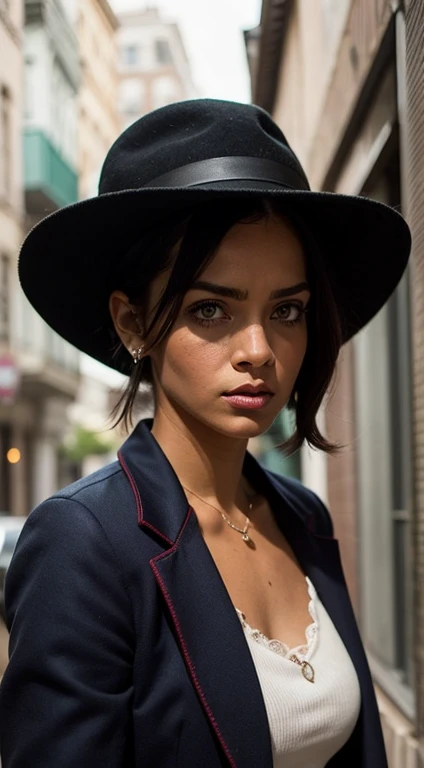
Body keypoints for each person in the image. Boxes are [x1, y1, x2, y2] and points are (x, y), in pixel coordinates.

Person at [0, 99, 411, 768]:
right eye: (211, 308)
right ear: (133, 323)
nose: (258, 349)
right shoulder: (83, 542)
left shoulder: (301, 516)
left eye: (287, 309)